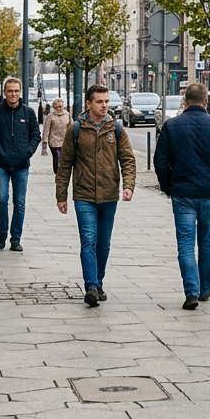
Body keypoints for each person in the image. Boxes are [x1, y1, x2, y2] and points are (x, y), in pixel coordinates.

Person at [153, 82, 210, 310]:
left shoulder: (172, 126)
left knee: (185, 244)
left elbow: (160, 162)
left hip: (183, 193)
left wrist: (167, 186)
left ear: (185, 100)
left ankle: (190, 290)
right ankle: (204, 289)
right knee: (206, 243)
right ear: (206, 101)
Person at [56, 85, 136, 307]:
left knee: (104, 243)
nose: (104, 106)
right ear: (89, 104)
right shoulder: (76, 129)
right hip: (84, 194)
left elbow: (128, 159)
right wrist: (61, 195)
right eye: (100, 102)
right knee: (88, 240)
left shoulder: (116, 128)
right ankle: (91, 285)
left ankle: (98, 281)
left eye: (106, 102)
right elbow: (65, 164)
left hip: (109, 194)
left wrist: (128, 185)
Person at [0, 77, 41, 253]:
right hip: (1, 163)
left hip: (22, 164)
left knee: (19, 202)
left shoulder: (28, 113)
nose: (13, 94)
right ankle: (2, 231)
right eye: (10, 91)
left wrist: (28, 152)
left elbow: (36, 135)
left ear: (20, 91)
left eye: (16, 91)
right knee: (1, 198)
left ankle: (15, 239)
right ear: (4, 93)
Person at [42, 98, 72, 174]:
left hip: (65, 141)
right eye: (57, 107)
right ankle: (57, 173)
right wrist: (44, 145)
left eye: (60, 106)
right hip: (54, 141)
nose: (59, 108)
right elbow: (46, 130)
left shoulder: (67, 114)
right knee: (57, 158)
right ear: (54, 107)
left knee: (64, 159)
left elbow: (72, 126)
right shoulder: (50, 116)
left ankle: (62, 173)